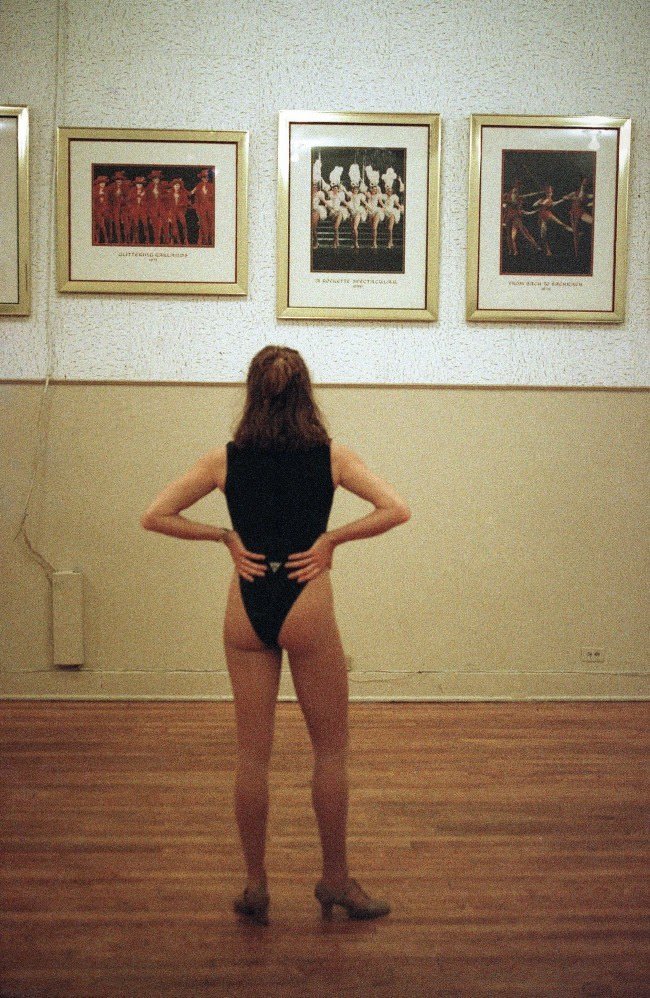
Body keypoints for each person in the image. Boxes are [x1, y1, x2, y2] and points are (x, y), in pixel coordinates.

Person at [140, 345, 411, 924]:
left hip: (247, 604)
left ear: (252, 392)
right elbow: (396, 508)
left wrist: (224, 538)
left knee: (251, 758)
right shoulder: (332, 455)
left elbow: (155, 515)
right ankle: (335, 880)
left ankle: (256, 885)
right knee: (331, 753)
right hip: (306, 602)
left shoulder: (225, 460)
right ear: (306, 393)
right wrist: (331, 542)